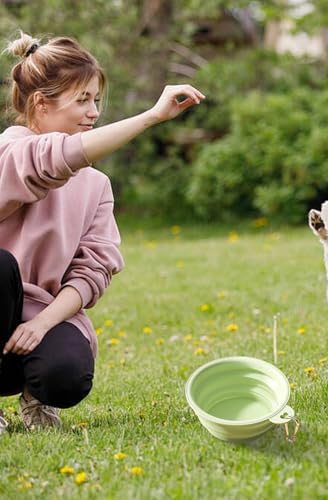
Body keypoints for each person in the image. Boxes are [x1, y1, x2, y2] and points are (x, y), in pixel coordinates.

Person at [0, 30, 205, 431]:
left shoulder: (96, 186)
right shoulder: (10, 152)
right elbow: (50, 161)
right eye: (82, 100)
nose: (93, 112)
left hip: (41, 315)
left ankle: (37, 398)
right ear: (41, 104)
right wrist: (151, 117)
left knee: (67, 374)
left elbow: (92, 271)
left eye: (95, 100)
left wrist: (41, 324)